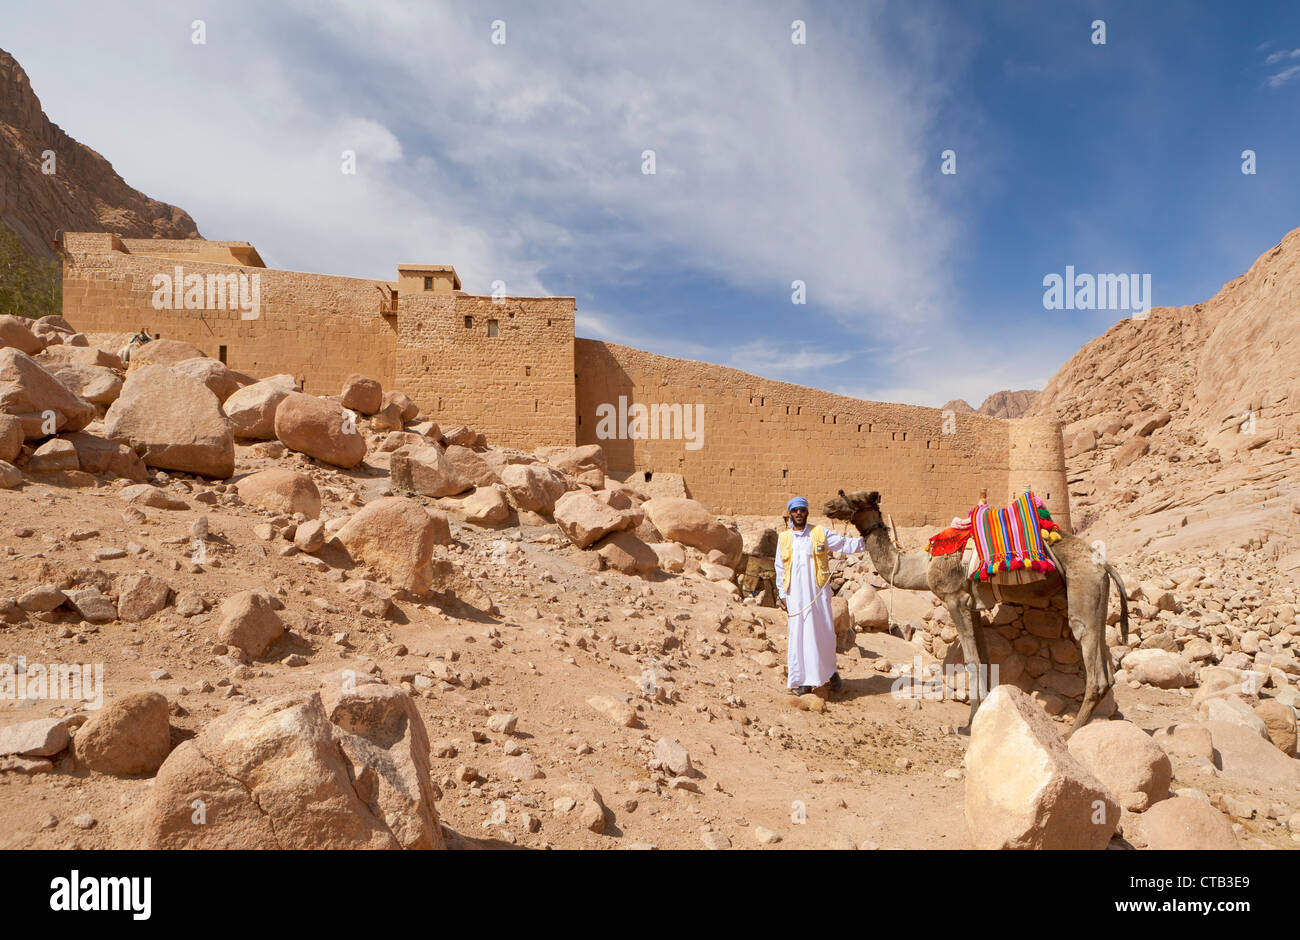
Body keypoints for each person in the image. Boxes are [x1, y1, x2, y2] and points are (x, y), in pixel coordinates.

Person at [775, 496, 867, 696]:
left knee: (822, 636)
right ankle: (804, 681)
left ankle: (831, 674)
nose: (799, 513)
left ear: (807, 512)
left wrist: (869, 540)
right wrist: (782, 594)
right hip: (795, 597)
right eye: (795, 510)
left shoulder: (819, 533)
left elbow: (844, 544)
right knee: (800, 638)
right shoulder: (784, 539)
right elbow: (780, 568)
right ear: (790, 514)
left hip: (817, 595)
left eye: (802, 510)